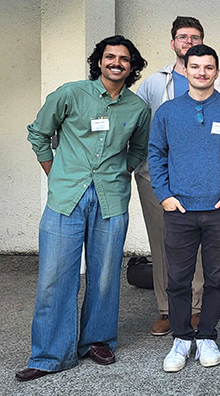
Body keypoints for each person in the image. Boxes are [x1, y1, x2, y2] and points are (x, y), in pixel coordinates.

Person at [17, 35, 150, 382]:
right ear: (99, 61)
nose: (116, 63)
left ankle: (97, 341)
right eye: (110, 57)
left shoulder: (137, 109)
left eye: (123, 58)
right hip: (66, 198)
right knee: (54, 278)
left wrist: (126, 169)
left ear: (131, 66)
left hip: (111, 200)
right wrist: (55, 173)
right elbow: (38, 134)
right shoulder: (70, 93)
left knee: (105, 276)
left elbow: (139, 147)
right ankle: (49, 355)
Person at [148, 44, 220, 372]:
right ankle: (181, 337)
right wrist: (163, 193)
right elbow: (156, 154)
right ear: (186, 70)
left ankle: (207, 334)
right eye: (196, 67)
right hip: (178, 208)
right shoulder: (167, 111)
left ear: (216, 72)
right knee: (178, 278)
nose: (202, 73)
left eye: (208, 67)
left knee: (217, 277)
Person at [135, 15, 220, 337]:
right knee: (165, 246)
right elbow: (142, 128)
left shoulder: (219, 84)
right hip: (158, 178)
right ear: (173, 42)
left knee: (204, 248)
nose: (188, 41)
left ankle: (197, 308)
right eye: (182, 37)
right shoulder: (153, 83)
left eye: (195, 37)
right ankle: (166, 310)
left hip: (206, 183)